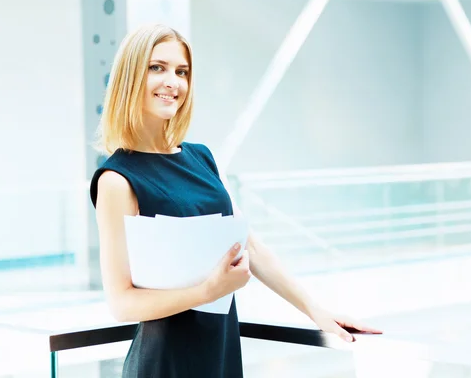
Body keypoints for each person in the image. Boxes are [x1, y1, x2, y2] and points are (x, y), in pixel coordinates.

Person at [90, 23, 381, 378]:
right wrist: (208, 290)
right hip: (163, 363)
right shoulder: (117, 180)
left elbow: (249, 247)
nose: (173, 82)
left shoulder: (202, 158)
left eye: (182, 72)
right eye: (157, 67)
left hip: (220, 354)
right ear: (131, 77)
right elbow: (121, 303)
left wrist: (315, 311)